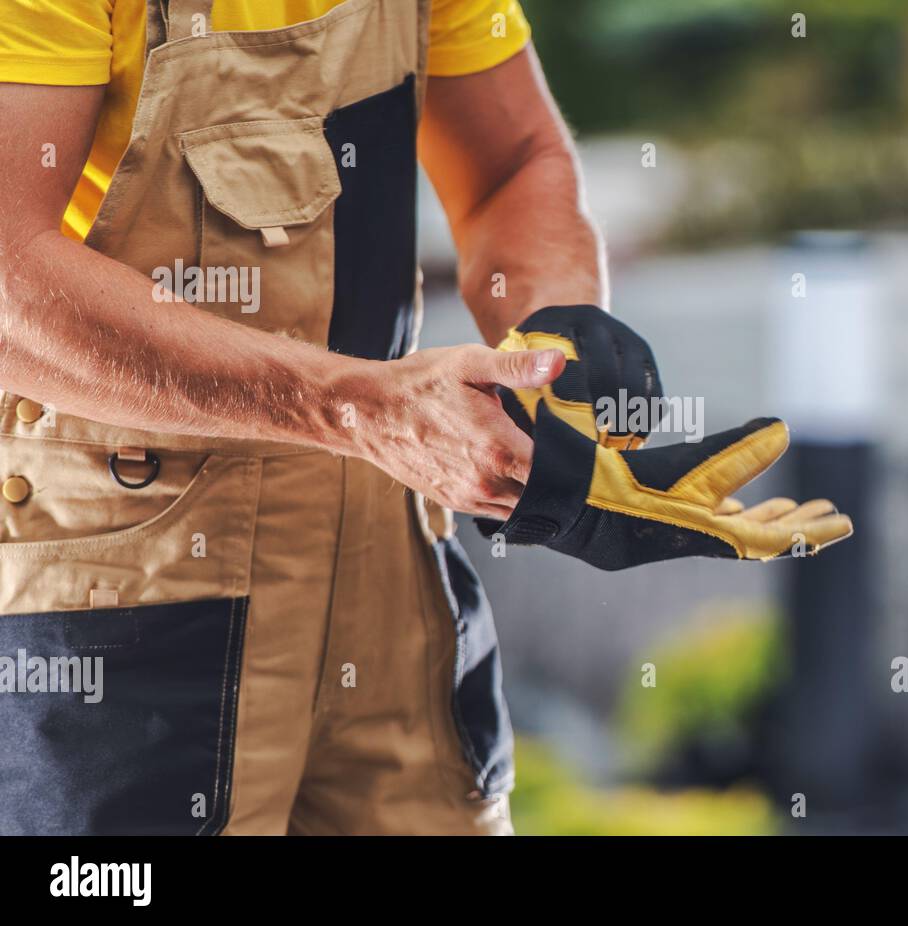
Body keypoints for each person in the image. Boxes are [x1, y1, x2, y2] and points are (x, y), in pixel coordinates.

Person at [0, 0, 850, 836]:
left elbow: (511, 164)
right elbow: (9, 284)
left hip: (387, 551)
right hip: (129, 571)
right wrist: (362, 410)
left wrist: (556, 348)